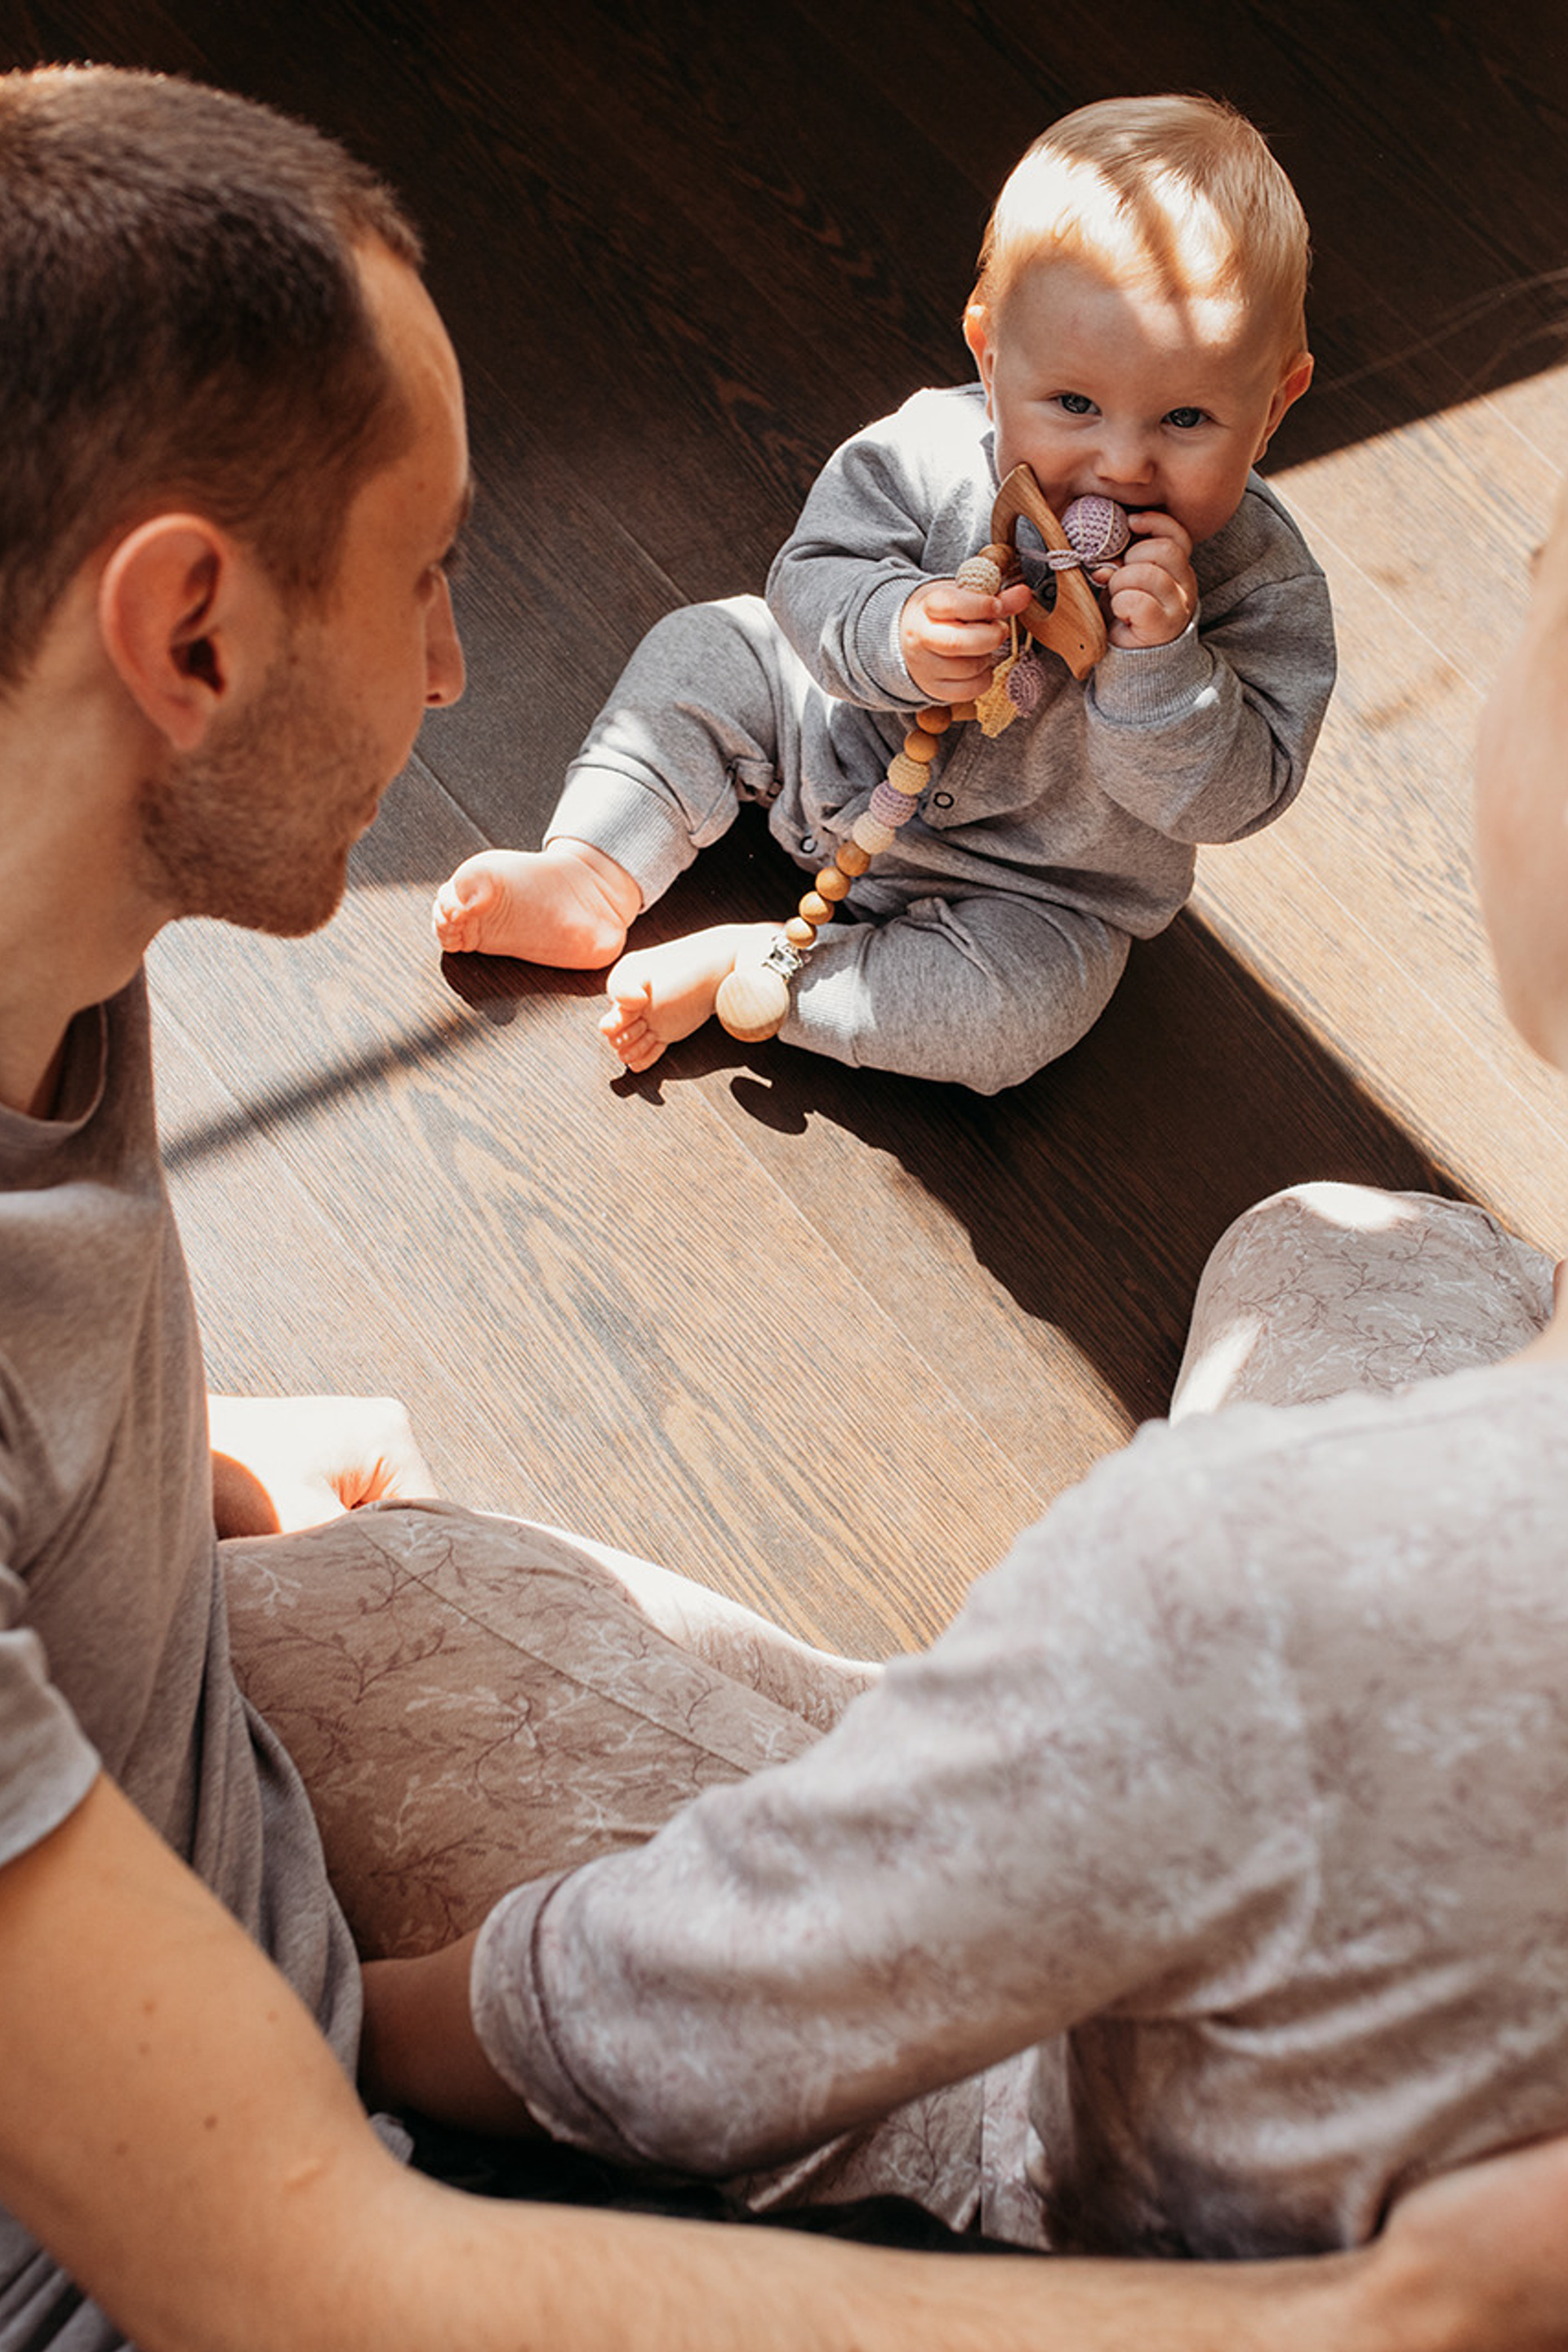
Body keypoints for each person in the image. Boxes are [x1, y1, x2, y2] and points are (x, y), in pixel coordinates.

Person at [2, 53, 1566, 2352]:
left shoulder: (63, 936)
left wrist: (160, 1478)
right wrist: (1393, 2320)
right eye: (432, 572)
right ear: (192, 638)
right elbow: (300, 2266)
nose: (460, 666)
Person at [431, 94, 1334, 1092]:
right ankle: (595, 866)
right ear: (991, 357)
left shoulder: (1262, 587)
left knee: (1021, 1018)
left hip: (1031, 885)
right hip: (832, 741)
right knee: (708, 649)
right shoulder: (929, 452)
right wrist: (895, 633)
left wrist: (1164, 672)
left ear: (1272, 407)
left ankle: (764, 972)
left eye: (1187, 417)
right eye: (1074, 403)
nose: (1120, 463)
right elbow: (809, 579)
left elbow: (1238, 798)